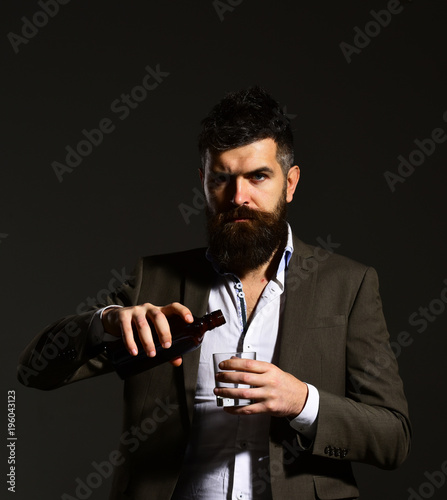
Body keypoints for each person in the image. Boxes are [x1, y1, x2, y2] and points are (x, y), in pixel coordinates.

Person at [18, 87, 411, 500]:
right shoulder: (154, 280)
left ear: (290, 183)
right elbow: (32, 372)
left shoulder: (349, 284)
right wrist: (103, 322)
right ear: (203, 183)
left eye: (258, 176)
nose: (238, 198)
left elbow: (393, 436)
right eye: (221, 179)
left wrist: (302, 402)